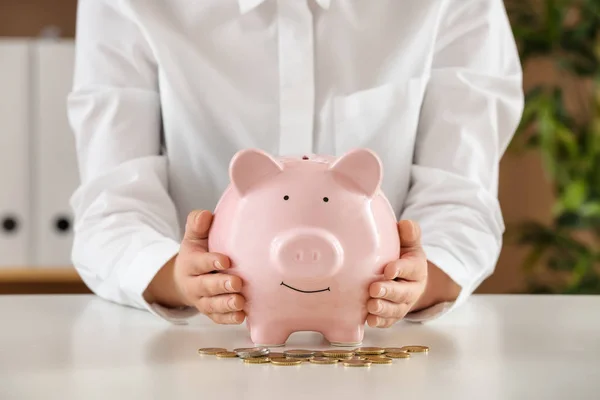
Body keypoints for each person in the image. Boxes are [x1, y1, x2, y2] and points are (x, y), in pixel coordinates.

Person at [67, 0, 524, 326]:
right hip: (202, 342)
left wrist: (410, 286)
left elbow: (462, 200)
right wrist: (184, 281)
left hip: (380, 339)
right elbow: (112, 207)